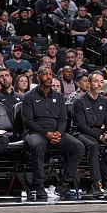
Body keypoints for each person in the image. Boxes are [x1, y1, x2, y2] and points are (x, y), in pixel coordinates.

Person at [22, 66, 83, 200]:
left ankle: (63, 185)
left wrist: (58, 133)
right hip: (36, 132)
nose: (49, 77)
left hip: (56, 134)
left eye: (50, 74)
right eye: (45, 74)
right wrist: (47, 134)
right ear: (38, 77)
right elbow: (28, 122)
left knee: (78, 147)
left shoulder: (59, 96)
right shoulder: (29, 97)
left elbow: (63, 119)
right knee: (37, 145)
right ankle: (38, 185)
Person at [73, 72, 107, 198]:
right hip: (82, 133)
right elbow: (82, 126)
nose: (99, 84)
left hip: (99, 131)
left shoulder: (104, 101)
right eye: (96, 81)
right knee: (93, 145)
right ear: (89, 83)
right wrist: (99, 137)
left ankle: (105, 162)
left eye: (101, 82)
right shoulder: (79, 101)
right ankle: (96, 183)